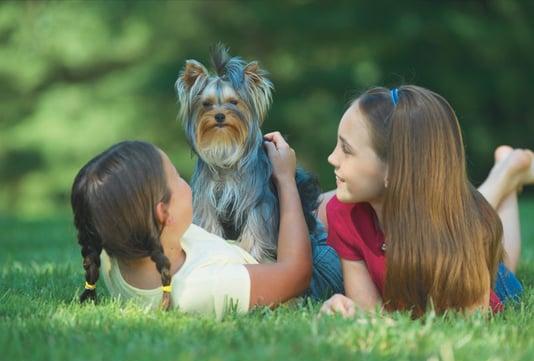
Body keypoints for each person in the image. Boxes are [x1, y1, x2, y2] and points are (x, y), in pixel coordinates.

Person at [318, 85, 532, 317]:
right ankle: (507, 170)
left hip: (485, 280)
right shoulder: (343, 213)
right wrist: (350, 312)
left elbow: (474, 320)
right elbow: (371, 314)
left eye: (347, 150)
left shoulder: (463, 227)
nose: (332, 158)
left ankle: (507, 172)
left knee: (502, 269)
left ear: (394, 170)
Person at [71, 133, 312, 319]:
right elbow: (296, 274)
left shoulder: (118, 248)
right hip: (302, 269)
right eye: (176, 177)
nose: (185, 181)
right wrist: (285, 179)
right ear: (164, 213)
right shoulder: (197, 288)